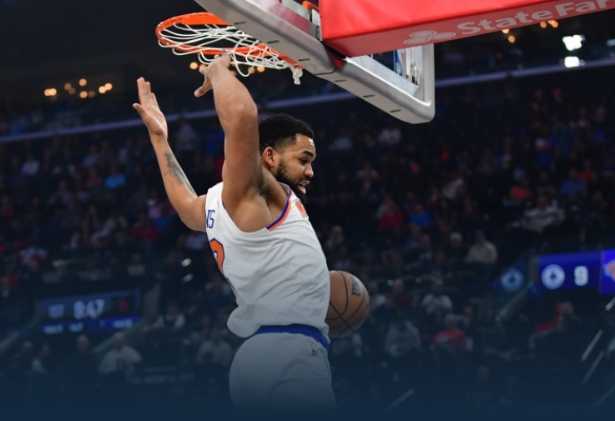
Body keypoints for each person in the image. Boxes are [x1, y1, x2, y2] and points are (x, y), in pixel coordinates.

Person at [132, 55, 334, 413]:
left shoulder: (217, 203)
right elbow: (242, 116)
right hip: (289, 352)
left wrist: (160, 140)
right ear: (269, 156)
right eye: (303, 159)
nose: (311, 171)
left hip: (260, 353)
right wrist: (218, 70)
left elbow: (186, 207)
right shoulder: (260, 193)